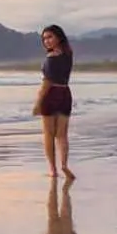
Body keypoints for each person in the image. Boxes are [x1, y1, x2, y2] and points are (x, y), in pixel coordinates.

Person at [32, 23, 76, 181]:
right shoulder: (68, 54)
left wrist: (37, 103)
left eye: (50, 37)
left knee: (49, 134)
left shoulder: (50, 58)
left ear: (58, 37)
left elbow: (46, 83)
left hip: (51, 95)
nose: (47, 41)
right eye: (44, 39)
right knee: (62, 135)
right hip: (65, 93)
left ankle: (53, 169)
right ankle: (64, 164)